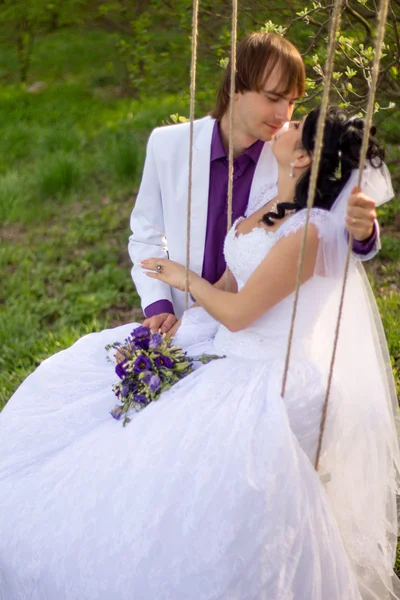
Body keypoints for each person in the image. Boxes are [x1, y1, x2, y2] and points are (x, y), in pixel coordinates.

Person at [0, 106, 398, 600]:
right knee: (99, 387)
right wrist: (183, 318)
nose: (285, 120)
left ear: (302, 156)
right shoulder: (274, 200)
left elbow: (239, 312)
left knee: (170, 463)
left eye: (296, 123)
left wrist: (183, 279)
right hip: (223, 342)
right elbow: (234, 278)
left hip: (265, 367)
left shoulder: (312, 230)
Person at [129, 31, 381, 337]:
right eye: (273, 98)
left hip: (256, 328)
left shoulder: (291, 156)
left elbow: (330, 224)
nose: (284, 115)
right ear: (236, 89)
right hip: (182, 317)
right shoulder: (166, 145)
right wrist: (160, 308)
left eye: (291, 101)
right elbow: (146, 235)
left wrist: (364, 232)